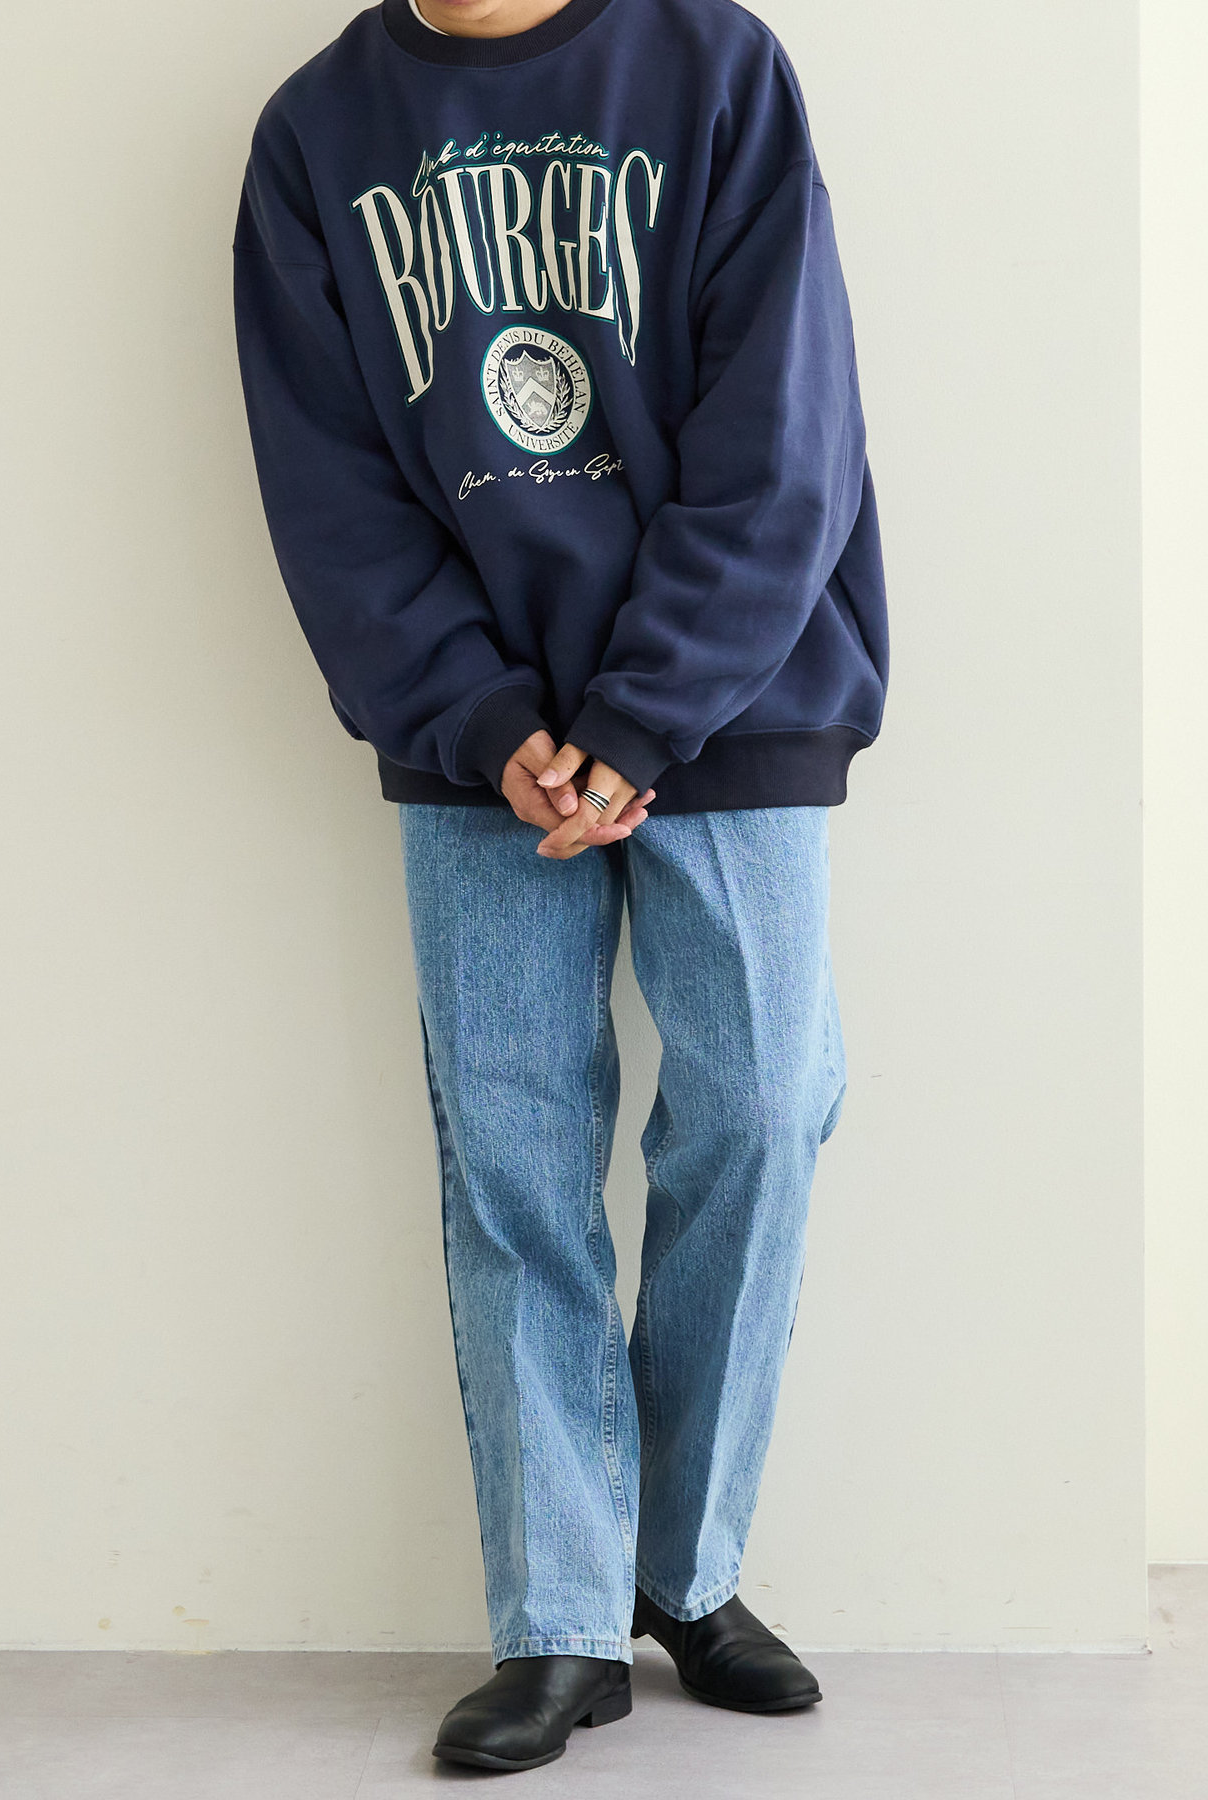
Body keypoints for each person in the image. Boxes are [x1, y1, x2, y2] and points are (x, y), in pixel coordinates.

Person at [234, 0, 887, 1772]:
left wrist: (648, 709)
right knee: (514, 1160)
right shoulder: (318, 133)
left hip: (735, 703)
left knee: (762, 1108)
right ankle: (560, 1615)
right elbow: (330, 488)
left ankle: (683, 1565)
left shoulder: (713, 68)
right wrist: (481, 713)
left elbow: (786, 429)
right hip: (483, 746)